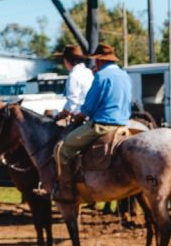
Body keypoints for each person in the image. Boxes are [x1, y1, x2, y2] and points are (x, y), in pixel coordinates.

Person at [53, 43, 133, 204]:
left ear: (98, 61)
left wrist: (79, 118)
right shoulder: (124, 75)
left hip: (103, 124)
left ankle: (66, 189)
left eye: (96, 60)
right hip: (123, 123)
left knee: (62, 148)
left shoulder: (101, 76)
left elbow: (88, 106)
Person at [54, 45, 94, 122]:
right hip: (90, 113)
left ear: (66, 60)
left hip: (81, 117)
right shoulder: (88, 72)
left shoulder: (73, 75)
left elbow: (71, 105)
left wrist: (58, 116)